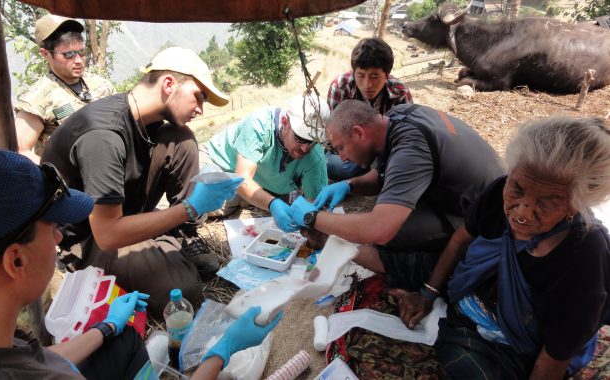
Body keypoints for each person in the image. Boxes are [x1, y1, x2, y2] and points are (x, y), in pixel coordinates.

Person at [0, 148, 280, 379]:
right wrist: (221, 352)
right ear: (17, 260)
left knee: (124, 339)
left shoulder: (6, 340)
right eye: (52, 226)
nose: (57, 236)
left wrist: (106, 327)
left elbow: (41, 360)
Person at [390, 116, 610, 379]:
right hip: (479, 287)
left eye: (546, 202)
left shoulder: (585, 255)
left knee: (466, 368)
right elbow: (461, 240)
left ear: (575, 205)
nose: (523, 213)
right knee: (391, 258)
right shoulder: (498, 192)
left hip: (519, 345)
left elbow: (556, 351)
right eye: (517, 189)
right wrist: (428, 294)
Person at [41, 46, 243, 317]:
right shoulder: (103, 135)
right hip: (90, 238)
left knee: (180, 139)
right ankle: (164, 237)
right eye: (198, 96)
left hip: (125, 212)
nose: (200, 109)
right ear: (169, 84)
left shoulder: (145, 118)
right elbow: (107, 234)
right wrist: (190, 208)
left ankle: (176, 233)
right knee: (184, 292)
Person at [290, 100, 504, 292]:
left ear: (359, 132)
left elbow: (379, 229)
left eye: (341, 148)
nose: (343, 158)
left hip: (489, 227)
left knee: (392, 232)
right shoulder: (397, 116)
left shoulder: (410, 149)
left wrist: (313, 218)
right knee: (385, 210)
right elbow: (388, 174)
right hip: (471, 198)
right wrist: (348, 185)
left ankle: (430, 271)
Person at [201, 94, 329, 232]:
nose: (305, 148)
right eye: (300, 138)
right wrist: (272, 203)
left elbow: (315, 205)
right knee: (203, 202)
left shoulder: (315, 155)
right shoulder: (259, 124)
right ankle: (247, 198)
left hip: (264, 183)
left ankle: (250, 198)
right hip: (223, 165)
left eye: (312, 141)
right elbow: (241, 179)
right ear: (285, 122)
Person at [14, 15, 115, 163]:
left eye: (82, 52)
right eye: (68, 55)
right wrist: (58, 175)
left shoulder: (101, 84)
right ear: (45, 54)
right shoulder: (36, 99)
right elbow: (20, 150)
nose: (79, 60)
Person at [326, 38, 413, 181]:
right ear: (353, 72)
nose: (367, 84)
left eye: (374, 76)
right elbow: (332, 138)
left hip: (385, 152)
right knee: (344, 167)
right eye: (360, 75)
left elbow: (405, 137)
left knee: (397, 166)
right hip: (351, 153)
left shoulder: (400, 92)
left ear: (387, 74)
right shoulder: (340, 87)